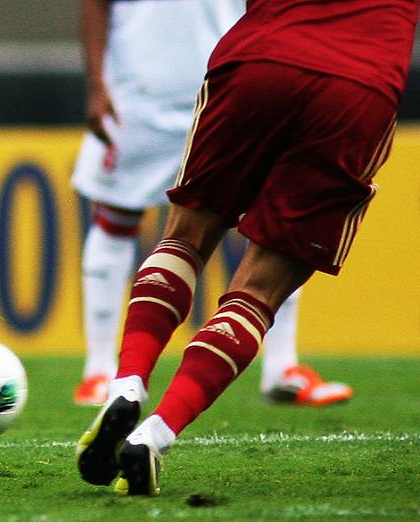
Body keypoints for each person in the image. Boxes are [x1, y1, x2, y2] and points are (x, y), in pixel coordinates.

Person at [75, 0, 418, 495]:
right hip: (358, 83)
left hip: (261, 57)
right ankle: (156, 433)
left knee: (185, 239)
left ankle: (125, 382)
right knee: (258, 292)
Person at [71, 0, 352, 407]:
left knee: (271, 221)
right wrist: (97, 86)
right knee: (117, 215)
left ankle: (281, 367)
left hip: (231, 85)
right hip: (140, 94)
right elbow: (96, 4)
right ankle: (97, 371)